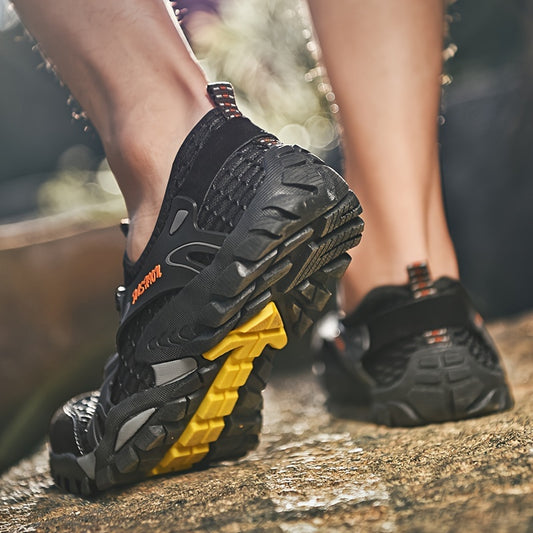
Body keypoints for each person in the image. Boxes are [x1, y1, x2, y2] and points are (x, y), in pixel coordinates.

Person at [10, 0, 511, 495]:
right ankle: (411, 295)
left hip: (199, 200)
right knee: (405, 263)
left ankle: (177, 156)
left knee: (180, 148)